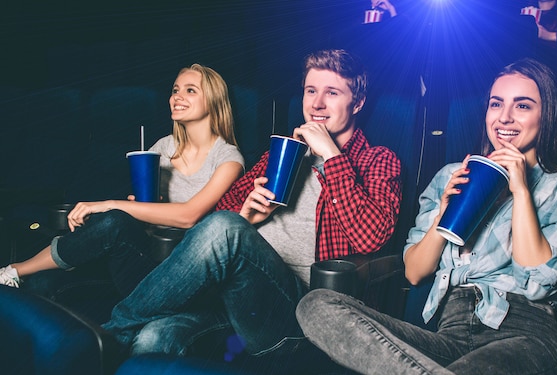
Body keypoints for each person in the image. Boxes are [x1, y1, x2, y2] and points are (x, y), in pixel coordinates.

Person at [296, 58, 557, 375]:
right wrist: (443, 213)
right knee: (315, 305)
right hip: (448, 334)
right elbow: (414, 273)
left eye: (523, 105)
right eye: (496, 103)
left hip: (524, 338)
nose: (505, 117)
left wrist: (520, 191)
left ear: (547, 116)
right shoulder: (453, 175)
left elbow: (541, 282)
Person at [99, 49, 402, 357]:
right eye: (310, 91)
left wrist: (332, 156)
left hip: (301, 314)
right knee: (154, 338)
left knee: (225, 229)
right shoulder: (281, 155)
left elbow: (371, 237)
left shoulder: (377, 160)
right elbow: (214, 221)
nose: (317, 103)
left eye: (332, 92)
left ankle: (109, 334)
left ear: (359, 102)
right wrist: (247, 217)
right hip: (235, 300)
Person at [0, 64, 245, 298]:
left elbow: (189, 215)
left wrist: (110, 204)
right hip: (143, 252)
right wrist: (141, 205)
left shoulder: (228, 158)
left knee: (113, 218)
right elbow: (145, 207)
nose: (177, 96)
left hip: (184, 269)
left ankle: (16, 270)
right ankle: (22, 271)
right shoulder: (162, 147)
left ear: (213, 100)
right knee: (45, 281)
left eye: (190, 90)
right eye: (175, 90)